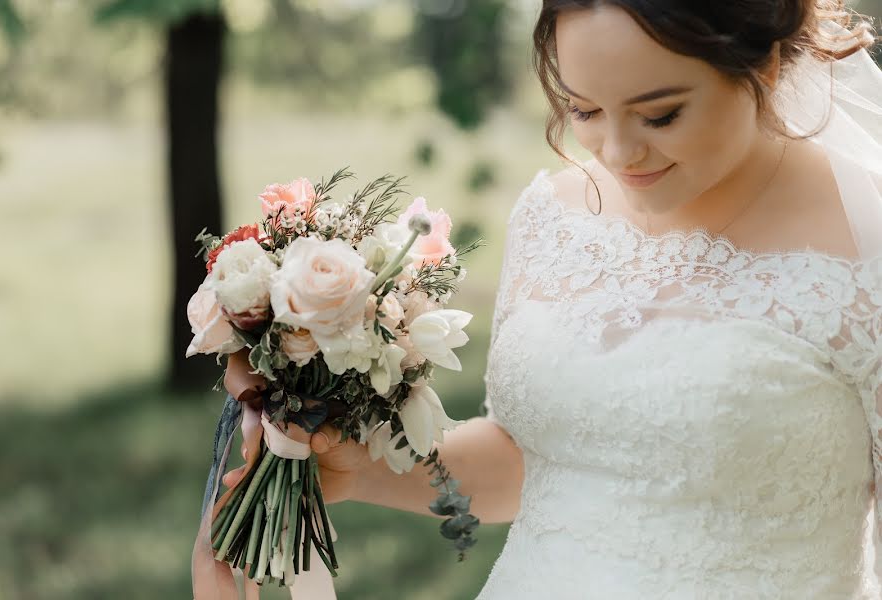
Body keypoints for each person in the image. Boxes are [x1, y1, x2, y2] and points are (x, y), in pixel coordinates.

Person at [226, 1, 882, 597]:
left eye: (661, 114)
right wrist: (362, 470)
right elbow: (531, 462)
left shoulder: (864, 245)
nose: (618, 153)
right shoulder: (554, 216)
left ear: (763, 66)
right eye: (585, 110)